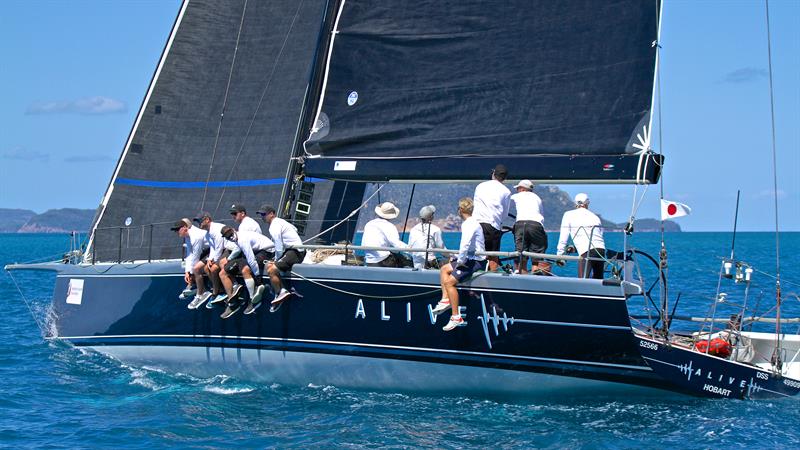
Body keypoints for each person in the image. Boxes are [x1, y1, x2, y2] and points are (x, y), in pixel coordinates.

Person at [430, 197, 486, 331]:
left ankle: (456, 317)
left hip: (475, 260)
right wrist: (456, 257)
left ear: (460, 210)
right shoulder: (472, 222)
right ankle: (445, 300)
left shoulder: (468, 224)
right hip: (469, 257)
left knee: (449, 283)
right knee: (444, 269)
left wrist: (460, 262)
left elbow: (465, 244)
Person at [255, 204, 306, 313]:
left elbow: (278, 246)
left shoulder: (274, 226)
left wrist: (277, 259)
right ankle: (280, 292)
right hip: (290, 250)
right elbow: (294, 229)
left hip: (296, 252)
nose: (262, 217)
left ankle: (281, 291)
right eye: (261, 215)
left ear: (272, 214)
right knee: (269, 265)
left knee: (271, 269)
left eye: (264, 214)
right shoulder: (281, 222)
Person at [219, 226, 274, 318]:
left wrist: (258, 277)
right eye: (228, 237)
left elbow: (251, 260)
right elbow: (237, 249)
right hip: (255, 250)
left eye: (231, 234)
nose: (231, 237)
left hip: (267, 250)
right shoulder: (237, 238)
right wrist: (228, 259)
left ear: (233, 230)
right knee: (224, 271)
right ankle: (233, 302)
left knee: (245, 270)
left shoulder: (242, 239)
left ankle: (253, 299)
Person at [191, 211, 236, 309]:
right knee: (207, 268)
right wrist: (210, 259)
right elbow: (213, 248)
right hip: (222, 250)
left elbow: (219, 247)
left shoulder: (215, 230)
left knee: (213, 268)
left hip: (229, 248)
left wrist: (213, 260)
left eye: (200, 221)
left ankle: (222, 290)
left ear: (207, 220)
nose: (199, 223)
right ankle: (218, 291)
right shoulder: (207, 233)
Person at [556, 193, 606, 279]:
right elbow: (599, 235)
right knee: (598, 280)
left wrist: (560, 255)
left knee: (582, 281)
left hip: (586, 252)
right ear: (587, 203)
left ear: (575, 203)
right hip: (600, 250)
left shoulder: (568, 214)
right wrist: (575, 249)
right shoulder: (595, 217)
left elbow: (563, 237)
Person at [473, 164, 511, 271]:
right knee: (493, 256)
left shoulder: (480, 186)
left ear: (493, 174)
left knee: (476, 254)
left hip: (476, 224)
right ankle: (491, 279)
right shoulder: (506, 191)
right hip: (493, 225)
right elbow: (504, 214)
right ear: (504, 178)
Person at [508, 179, 547, 274]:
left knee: (521, 256)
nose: (517, 190)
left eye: (518, 188)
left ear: (522, 188)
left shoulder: (516, 196)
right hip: (536, 225)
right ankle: (535, 277)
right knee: (536, 258)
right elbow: (541, 215)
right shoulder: (537, 198)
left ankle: (521, 277)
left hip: (520, 224)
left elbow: (506, 206)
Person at [171, 218, 210, 306]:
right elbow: (189, 254)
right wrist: (187, 271)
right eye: (175, 230)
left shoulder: (196, 236)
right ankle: (193, 286)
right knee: (191, 268)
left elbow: (195, 256)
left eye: (178, 229)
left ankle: (202, 293)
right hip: (206, 250)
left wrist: (190, 272)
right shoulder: (187, 236)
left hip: (215, 250)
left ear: (185, 227)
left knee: (196, 268)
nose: (176, 232)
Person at [361, 202, 411, 267]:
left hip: (369, 261)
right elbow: (396, 243)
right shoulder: (389, 226)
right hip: (383, 261)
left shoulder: (369, 223)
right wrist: (411, 250)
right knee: (407, 262)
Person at [407, 205, 445, 270]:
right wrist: (451, 256)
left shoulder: (413, 229)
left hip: (416, 264)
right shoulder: (435, 229)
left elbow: (410, 247)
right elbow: (441, 248)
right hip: (430, 263)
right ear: (431, 217)